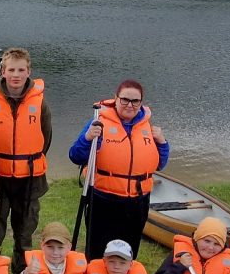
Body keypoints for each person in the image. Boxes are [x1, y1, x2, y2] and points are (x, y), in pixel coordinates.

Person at [68, 80, 168, 257]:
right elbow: (76, 156)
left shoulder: (148, 127)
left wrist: (162, 143)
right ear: (115, 99)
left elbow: (160, 163)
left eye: (135, 101)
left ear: (141, 102)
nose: (130, 105)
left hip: (138, 200)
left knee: (128, 250)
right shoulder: (99, 122)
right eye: (125, 100)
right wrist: (87, 137)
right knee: (98, 250)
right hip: (104, 198)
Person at [0, 48, 54, 271]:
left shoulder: (40, 103)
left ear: (28, 71)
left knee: (25, 231)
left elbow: (46, 137)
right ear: (3, 71)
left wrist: (29, 160)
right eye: (11, 69)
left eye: (21, 70)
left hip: (29, 176)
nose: (16, 74)